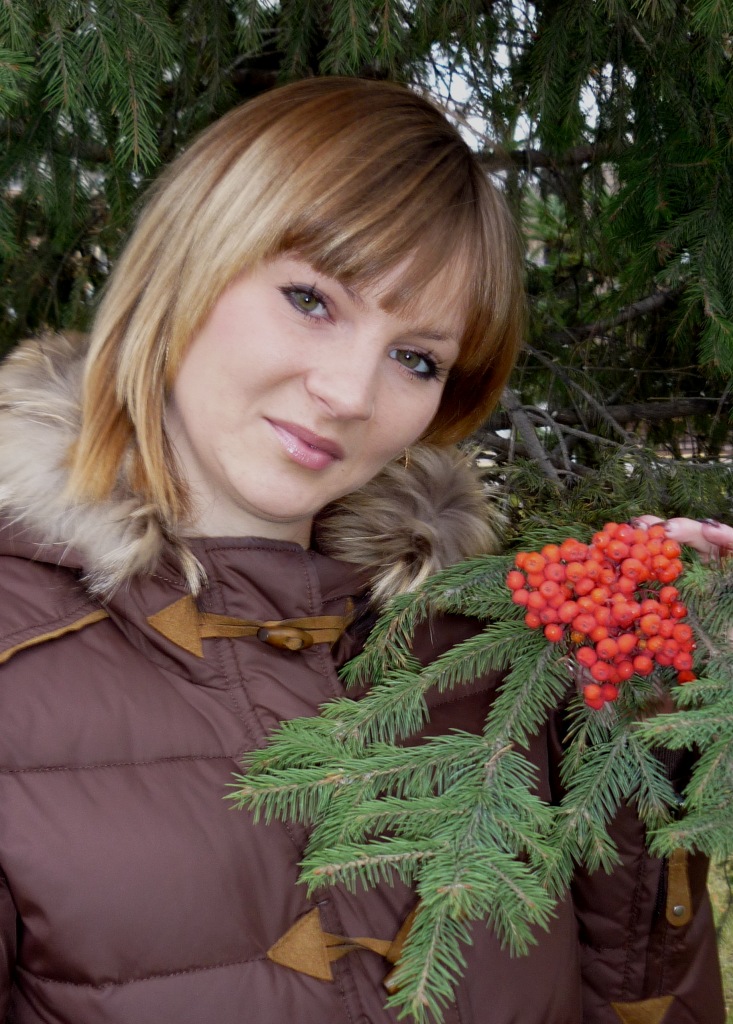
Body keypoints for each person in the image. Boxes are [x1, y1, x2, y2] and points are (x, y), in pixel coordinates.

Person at [0, 76, 723, 1024]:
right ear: (188, 265)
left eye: (416, 359)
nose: (348, 394)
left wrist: (641, 715)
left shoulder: (485, 656)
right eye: (311, 299)